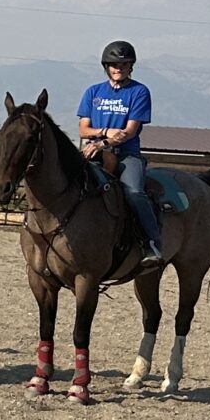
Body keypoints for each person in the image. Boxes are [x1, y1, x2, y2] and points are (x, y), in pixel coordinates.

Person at [77, 40, 163, 267]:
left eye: (124, 65)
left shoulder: (139, 92)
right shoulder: (93, 92)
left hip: (126, 154)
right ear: (106, 66)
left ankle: (151, 244)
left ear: (130, 67)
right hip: (92, 151)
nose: (119, 69)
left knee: (134, 192)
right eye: (115, 65)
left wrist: (102, 142)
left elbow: (129, 131)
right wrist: (104, 133)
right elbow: (83, 130)